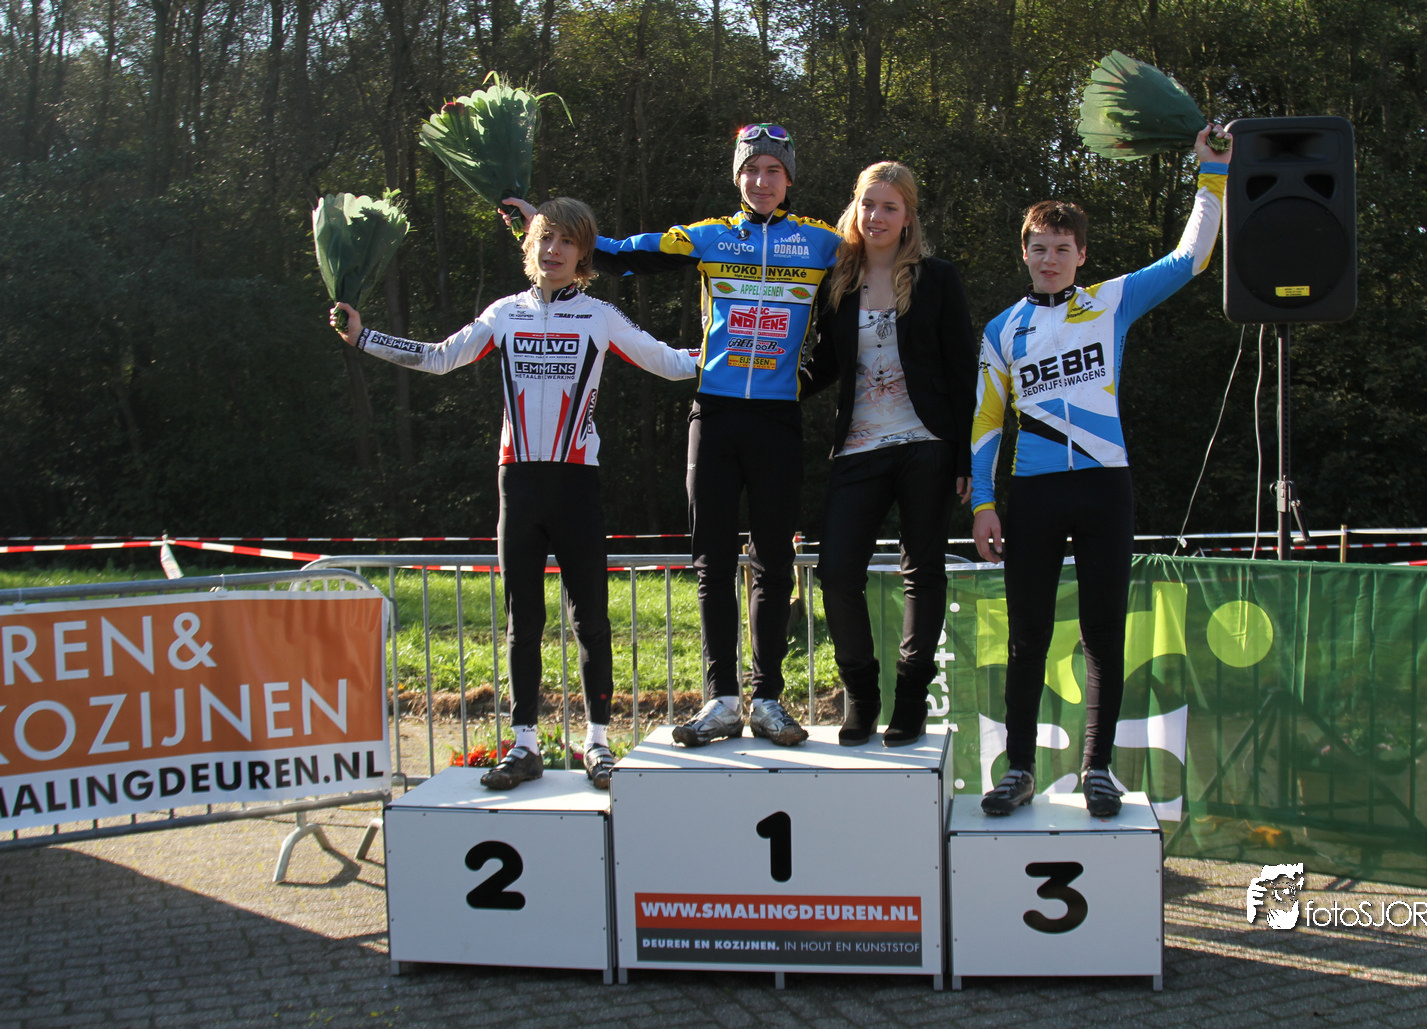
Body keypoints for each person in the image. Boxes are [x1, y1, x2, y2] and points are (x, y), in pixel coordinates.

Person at [331, 198, 697, 790]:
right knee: (521, 621)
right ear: (530, 245)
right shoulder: (504, 313)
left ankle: (598, 742)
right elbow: (439, 358)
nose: (554, 250)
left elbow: (672, 363)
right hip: (518, 483)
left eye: (567, 241)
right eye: (545, 238)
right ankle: (525, 744)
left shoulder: (600, 317)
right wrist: (362, 336)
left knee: (591, 619)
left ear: (584, 254)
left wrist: (748, 355)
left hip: (576, 483)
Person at [972, 126, 1232, 817]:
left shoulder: (1110, 301)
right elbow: (986, 421)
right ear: (1024, 253)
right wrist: (981, 503)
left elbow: (1191, 257)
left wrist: (1211, 173)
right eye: (1039, 247)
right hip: (1032, 491)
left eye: (1063, 248)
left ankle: (1098, 768)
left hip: (1103, 485)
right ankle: (1019, 768)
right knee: (1027, 636)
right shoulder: (1001, 329)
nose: (1050, 258)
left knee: (1102, 633)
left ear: (1081, 255)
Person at [584, 123, 842, 748]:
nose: (761, 180)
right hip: (715, 414)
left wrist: (803, 382)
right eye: (750, 169)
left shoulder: (822, 243)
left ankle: (769, 699)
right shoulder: (708, 237)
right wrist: (543, 227)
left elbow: (884, 270)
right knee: (713, 561)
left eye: (773, 170)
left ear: (789, 178)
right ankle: (722, 699)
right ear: (737, 177)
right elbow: (622, 254)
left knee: (775, 562)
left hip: (778, 420)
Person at [799, 161, 976, 747]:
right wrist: (769, 382)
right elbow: (824, 365)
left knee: (922, 572)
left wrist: (966, 459)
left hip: (927, 444)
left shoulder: (937, 278)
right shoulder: (838, 280)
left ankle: (910, 701)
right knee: (836, 573)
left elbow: (962, 370)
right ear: (855, 208)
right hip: (858, 446)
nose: (876, 216)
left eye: (889, 207)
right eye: (868, 204)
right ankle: (861, 696)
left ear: (908, 217)